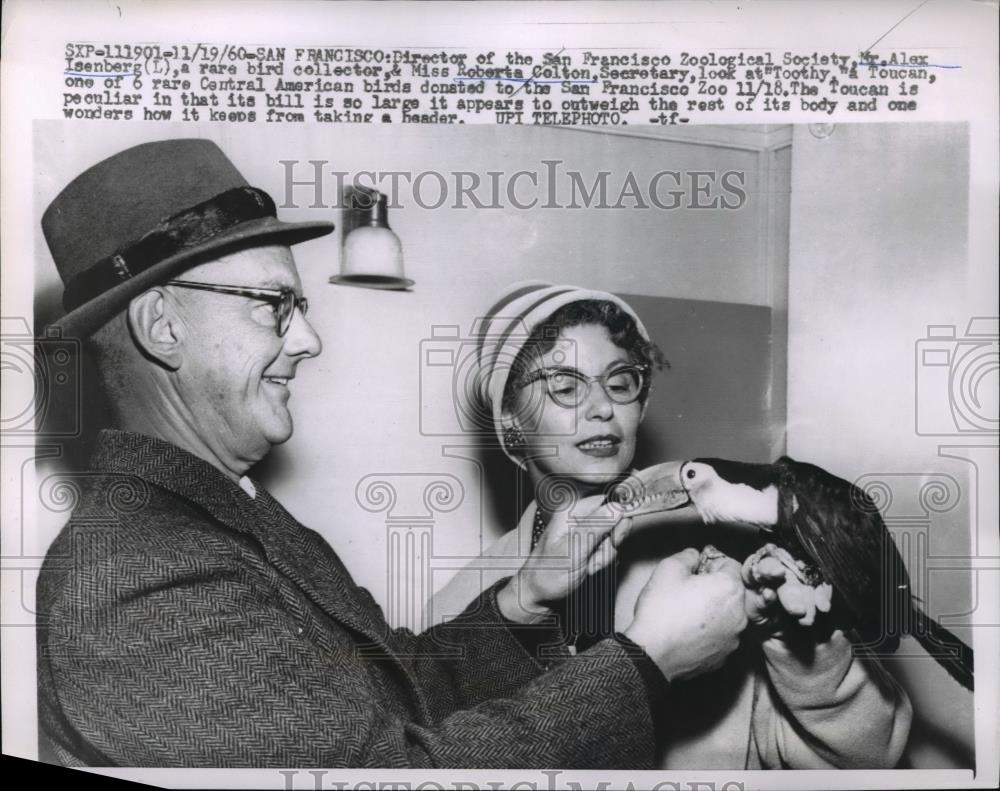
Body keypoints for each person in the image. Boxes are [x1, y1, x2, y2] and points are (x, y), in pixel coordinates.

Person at [34, 139, 751, 768]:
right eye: (273, 305)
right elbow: (393, 770)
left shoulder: (222, 512)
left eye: (302, 309)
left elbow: (397, 690)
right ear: (162, 325)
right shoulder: (137, 578)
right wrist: (644, 663)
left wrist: (523, 595)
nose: (307, 341)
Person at [430, 282, 913, 768]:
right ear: (510, 416)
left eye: (620, 382)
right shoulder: (465, 609)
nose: (602, 407)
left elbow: (869, 760)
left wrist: (801, 640)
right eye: (565, 385)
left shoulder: (736, 558)